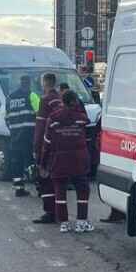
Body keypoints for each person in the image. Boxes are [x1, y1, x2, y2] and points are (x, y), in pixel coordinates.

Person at [41, 90, 93, 233]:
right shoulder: (82, 118)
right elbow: (88, 139)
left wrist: (43, 162)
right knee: (82, 189)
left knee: (59, 190)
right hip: (79, 159)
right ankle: (81, 222)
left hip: (59, 160)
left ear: (62, 101)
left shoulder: (53, 118)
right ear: (75, 101)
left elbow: (47, 143)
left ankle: (64, 223)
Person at [31, 72, 63, 224]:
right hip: (62, 145)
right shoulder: (61, 98)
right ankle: (59, 211)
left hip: (47, 145)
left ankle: (49, 212)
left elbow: (40, 126)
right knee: (59, 180)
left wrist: (36, 149)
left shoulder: (45, 100)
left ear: (45, 83)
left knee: (45, 179)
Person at [4, 75, 36, 198]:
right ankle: (39, 186)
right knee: (30, 162)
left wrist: (13, 130)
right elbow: (40, 113)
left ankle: (19, 188)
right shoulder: (31, 95)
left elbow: (7, 118)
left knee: (16, 162)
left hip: (14, 135)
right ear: (28, 83)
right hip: (29, 135)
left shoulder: (10, 97)